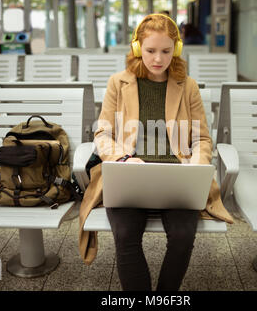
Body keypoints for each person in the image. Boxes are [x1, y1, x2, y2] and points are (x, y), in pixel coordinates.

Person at [78, 14, 234, 291]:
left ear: (176, 50)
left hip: (176, 175)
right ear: (138, 48)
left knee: (184, 234)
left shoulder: (188, 86)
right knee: (125, 234)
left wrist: (195, 169)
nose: (158, 59)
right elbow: (102, 134)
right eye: (150, 51)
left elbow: (202, 139)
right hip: (129, 173)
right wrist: (124, 159)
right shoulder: (118, 83)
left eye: (165, 51)